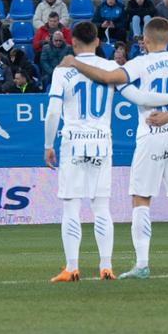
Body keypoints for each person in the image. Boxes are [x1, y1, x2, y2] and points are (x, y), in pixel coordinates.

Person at [61, 16, 168, 278]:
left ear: (144, 40)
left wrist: (75, 63)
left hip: (151, 132)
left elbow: (111, 78)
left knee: (141, 199)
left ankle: (143, 264)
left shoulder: (138, 63)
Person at [41, 21, 118, 281]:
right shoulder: (111, 67)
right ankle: (106, 266)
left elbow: (53, 112)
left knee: (71, 207)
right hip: (102, 141)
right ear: (98, 41)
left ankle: (71, 267)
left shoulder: (62, 71)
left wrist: (48, 145)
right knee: (102, 207)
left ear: (72, 43)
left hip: (73, 141)